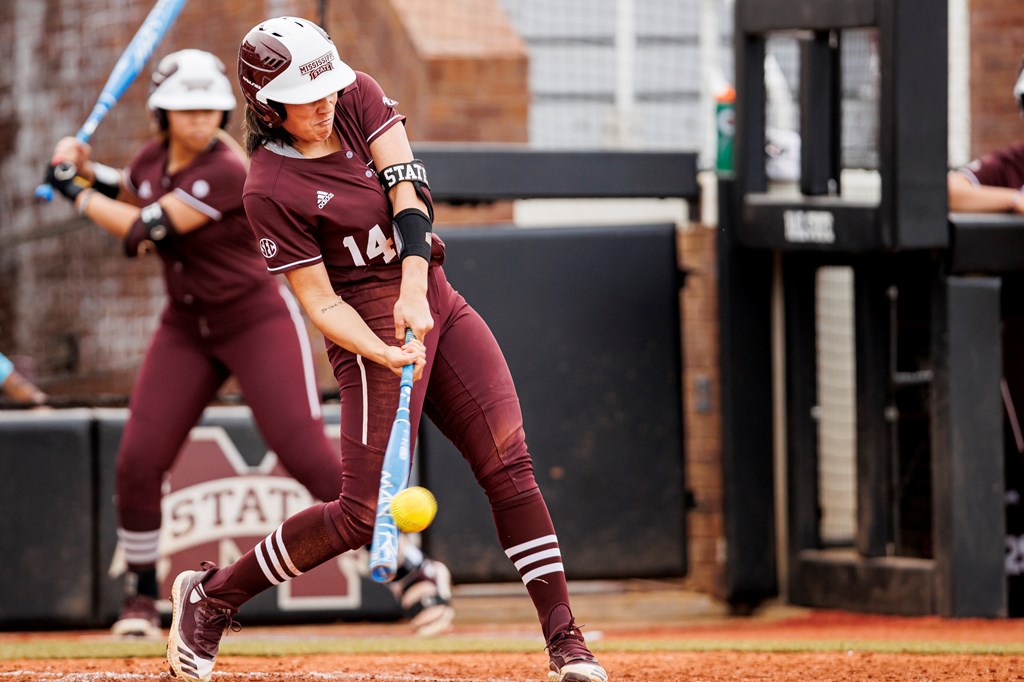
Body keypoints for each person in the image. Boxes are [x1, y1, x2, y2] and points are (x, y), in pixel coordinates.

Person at [161, 16, 608, 682]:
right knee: (360, 516)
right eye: (305, 97)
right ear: (265, 105)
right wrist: (382, 347)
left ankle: (566, 641)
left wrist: (414, 284)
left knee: (508, 461)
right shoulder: (267, 189)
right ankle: (213, 595)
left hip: (434, 299)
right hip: (365, 333)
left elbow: (408, 189)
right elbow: (319, 304)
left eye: (327, 90)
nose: (324, 104)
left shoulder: (358, 96)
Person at [43, 48, 453, 639]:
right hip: (186, 328)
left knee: (304, 450)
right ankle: (138, 599)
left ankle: (411, 570)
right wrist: (82, 170)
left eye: (210, 106)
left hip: (254, 320)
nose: (201, 118)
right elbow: (134, 189)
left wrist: (71, 190)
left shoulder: (228, 169)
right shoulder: (151, 161)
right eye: (185, 109)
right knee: (138, 458)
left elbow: (144, 227)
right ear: (162, 114)